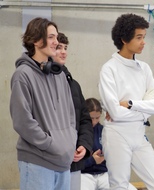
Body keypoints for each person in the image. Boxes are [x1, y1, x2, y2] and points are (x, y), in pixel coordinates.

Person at [98, 13, 154, 190]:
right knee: (119, 186)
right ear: (124, 38)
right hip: (117, 135)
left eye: (144, 37)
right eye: (139, 37)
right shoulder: (109, 69)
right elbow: (115, 113)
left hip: (139, 135)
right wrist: (145, 110)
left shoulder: (144, 69)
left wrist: (132, 104)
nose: (143, 42)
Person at [9, 17, 77, 190]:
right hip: (37, 162)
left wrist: (69, 140)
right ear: (36, 40)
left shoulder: (59, 74)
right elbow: (22, 121)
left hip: (63, 162)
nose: (56, 42)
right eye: (51, 37)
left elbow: (70, 113)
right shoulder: (22, 75)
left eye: (56, 37)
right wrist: (50, 144)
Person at [52, 32, 94, 190]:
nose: (63, 51)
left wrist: (84, 145)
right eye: (58, 47)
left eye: (65, 47)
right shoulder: (40, 81)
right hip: (49, 161)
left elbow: (85, 120)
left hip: (74, 163)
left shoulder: (74, 85)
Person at [81, 98, 137, 190]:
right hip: (84, 175)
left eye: (97, 118)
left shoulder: (105, 130)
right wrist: (92, 160)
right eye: (91, 118)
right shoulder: (77, 132)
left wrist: (108, 156)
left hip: (104, 174)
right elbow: (71, 164)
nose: (94, 121)